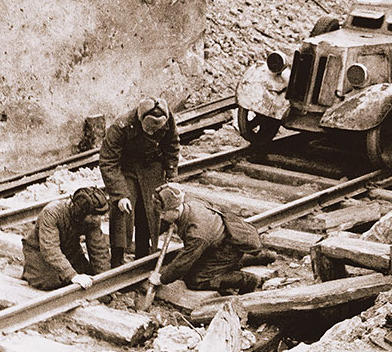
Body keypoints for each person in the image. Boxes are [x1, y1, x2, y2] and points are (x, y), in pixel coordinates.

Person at [147, 183, 276, 294]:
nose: (161, 217)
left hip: (227, 248)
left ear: (175, 211)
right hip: (223, 239)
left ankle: (248, 280)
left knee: (195, 279)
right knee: (197, 266)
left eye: (163, 214)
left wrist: (162, 279)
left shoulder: (197, 233)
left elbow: (184, 261)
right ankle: (263, 257)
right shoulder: (191, 203)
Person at [99, 96, 180, 267]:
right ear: (140, 119)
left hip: (152, 167)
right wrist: (120, 194)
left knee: (150, 210)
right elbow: (108, 161)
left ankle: (143, 255)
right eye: (148, 129)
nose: (151, 133)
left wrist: (172, 176)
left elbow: (172, 146)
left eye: (155, 130)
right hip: (127, 168)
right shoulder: (122, 126)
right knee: (122, 210)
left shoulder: (168, 119)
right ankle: (117, 259)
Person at [21, 187, 111, 290]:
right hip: (39, 253)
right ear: (81, 212)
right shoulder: (52, 213)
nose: (97, 219)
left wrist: (105, 282)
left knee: (88, 275)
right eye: (93, 216)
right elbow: (50, 250)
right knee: (51, 282)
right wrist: (72, 276)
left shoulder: (91, 219)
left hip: (69, 252)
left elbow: (98, 250)